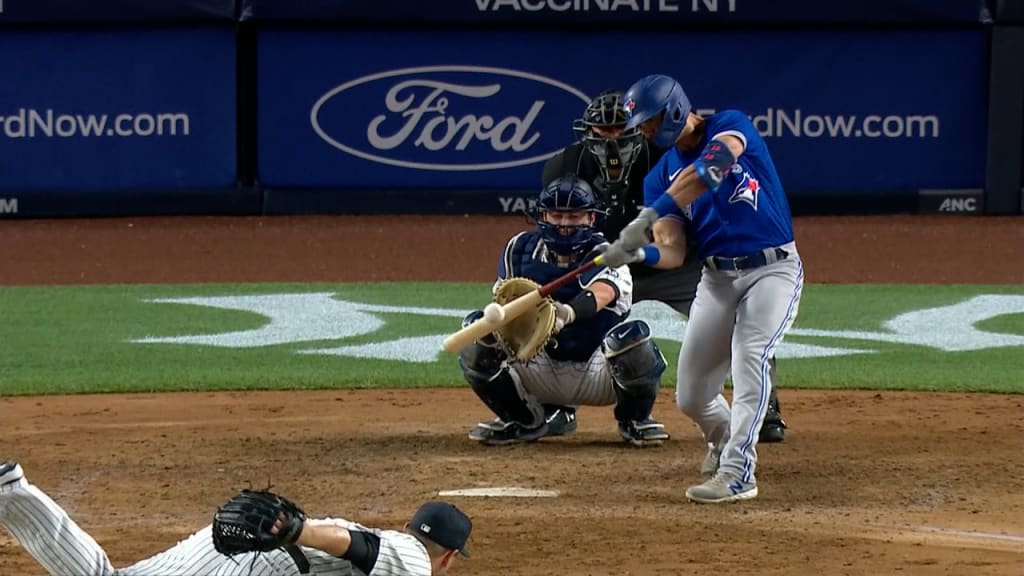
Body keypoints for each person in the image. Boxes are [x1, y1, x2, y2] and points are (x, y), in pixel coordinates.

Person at [540, 89, 789, 444]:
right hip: (611, 268)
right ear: (587, 131)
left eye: (621, 128)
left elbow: (685, 222)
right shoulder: (566, 165)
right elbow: (561, 227)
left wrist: (647, 230)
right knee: (569, 308)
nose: (612, 138)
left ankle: (767, 410)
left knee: (742, 325)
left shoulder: (665, 155)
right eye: (601, 130)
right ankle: (558, 404)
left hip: (680, 265)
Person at [599, 74, 804, 503]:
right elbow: (672, 251)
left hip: (772, 270)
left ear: (674, 109)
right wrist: (638, 256)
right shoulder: (659, 177)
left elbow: (711, 170)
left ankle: (737, 472)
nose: (647, 132)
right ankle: (724, 439)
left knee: (751, 356)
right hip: (716, 279)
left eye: (651, 122)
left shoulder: (731, 124)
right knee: (692, 396)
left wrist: (647, 216)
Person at [459, 174, 670, 447]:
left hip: (596, 372)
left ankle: (634, 420)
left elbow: (602, 293)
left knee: (632, 341)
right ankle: (523, 420)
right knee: (477, 333)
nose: (565, 225)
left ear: (591, 219)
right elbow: (505, 303)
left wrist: (567, 313)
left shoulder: (608, 254)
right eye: (557, 216)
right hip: (537, 364)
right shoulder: (518, 250)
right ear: (543, 215)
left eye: (574, 217)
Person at [0, 460, 471, 575]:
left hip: (246, 541)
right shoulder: (415, 558)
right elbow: (358, 547)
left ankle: (11, 490)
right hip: (273, 556)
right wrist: (299, 530)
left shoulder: (397, 538)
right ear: (449, 556)